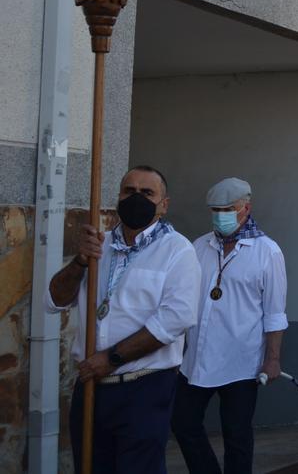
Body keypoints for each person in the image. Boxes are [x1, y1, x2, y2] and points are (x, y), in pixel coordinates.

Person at [47, 166, 202, 474]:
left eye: (147, 193)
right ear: (118, 196)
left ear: (164, 204)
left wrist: (112, 358)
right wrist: (79, 261)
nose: (136, 198)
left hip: (142, 388)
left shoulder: (177, 251)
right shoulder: (98, 246)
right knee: (90, 466)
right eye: (129, 191)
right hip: (92, 386)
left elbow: (174, 320)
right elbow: (54, 300)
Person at [173, 178, 288, 474]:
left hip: (241, 362)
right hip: (197, 358)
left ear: (245, 208)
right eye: (215, 209)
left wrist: (272, 359)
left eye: (227, 209)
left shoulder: (267, 251)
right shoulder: (200, 246)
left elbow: (274, 312)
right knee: (182, 422)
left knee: (236, 435)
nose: (220, 215)